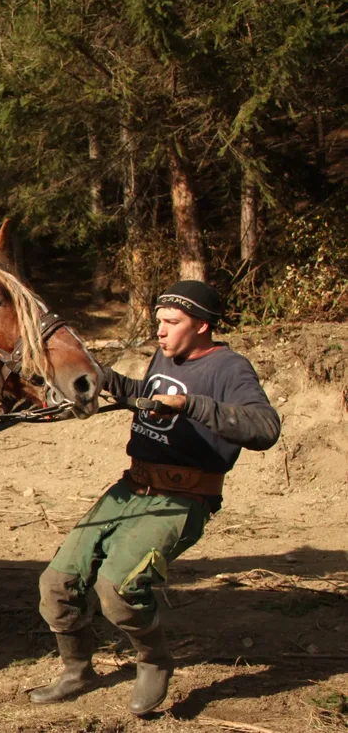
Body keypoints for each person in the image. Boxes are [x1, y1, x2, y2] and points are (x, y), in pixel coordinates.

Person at [32, 280, 281, 716]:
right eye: (158, 322)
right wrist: (106, 379)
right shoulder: (165, 355)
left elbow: (264, 427)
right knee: (57, 582)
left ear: (202, 325)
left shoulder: (229, 368)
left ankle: (153, 660)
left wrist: (190, 405)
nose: (160, 332)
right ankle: (77, 670)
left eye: (171, 322)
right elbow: (147, 400)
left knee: (118, 586)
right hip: (132, 486)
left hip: (183, 498)